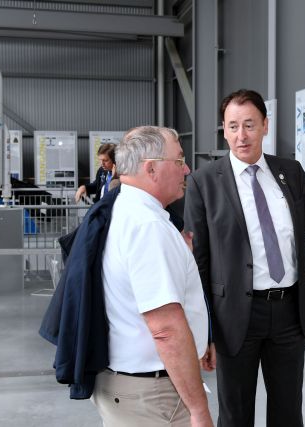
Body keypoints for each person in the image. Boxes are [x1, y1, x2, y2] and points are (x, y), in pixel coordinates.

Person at [185, 89, 305, 427]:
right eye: (233, 126)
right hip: (235, 316)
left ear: (265, 126)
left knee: (288, 413)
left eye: (249, 125)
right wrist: (205, 330)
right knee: (235, 415)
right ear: (224, 130)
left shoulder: (290, 172)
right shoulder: (204, 182)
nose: (241, 135)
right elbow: (200, 263)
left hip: (288, 312)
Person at [91, 126, 214, 427]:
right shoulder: (149, 227)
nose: (186, 168)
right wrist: (199, 410)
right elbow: (166, 330)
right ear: (151, 169)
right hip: (153, 398)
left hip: (131, 389)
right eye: (179, 160)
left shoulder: (124, 208)